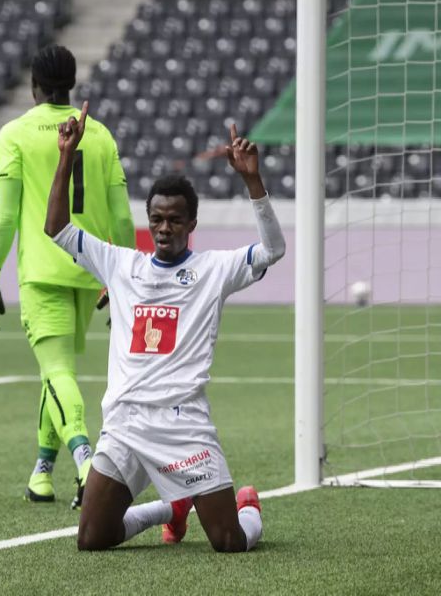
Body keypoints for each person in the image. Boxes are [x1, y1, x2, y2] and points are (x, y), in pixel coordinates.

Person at [44, 104, 285, 552]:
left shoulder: (215, 269)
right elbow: (56, 227)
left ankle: (249, 508)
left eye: (175, 219)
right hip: (125, 422)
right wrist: (66, 155)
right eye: (156, 219)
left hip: (182, 425)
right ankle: (169, 509)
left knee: (229, 541)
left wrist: (253, 181)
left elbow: (273, 249)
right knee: (93, 538)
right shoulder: (121, 264)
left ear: (192, 224)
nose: (164, 228)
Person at [0, 44, 136, 509]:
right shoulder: (101, 134)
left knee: (57, 371)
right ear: (71, 83)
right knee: (57, 372)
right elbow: (123, 217)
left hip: (43, 271)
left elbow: (4, 215)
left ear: (34, 84)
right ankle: (42, 473)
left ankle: (89, 466)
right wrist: (124, 273)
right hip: (90, 269)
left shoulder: (16, 133)